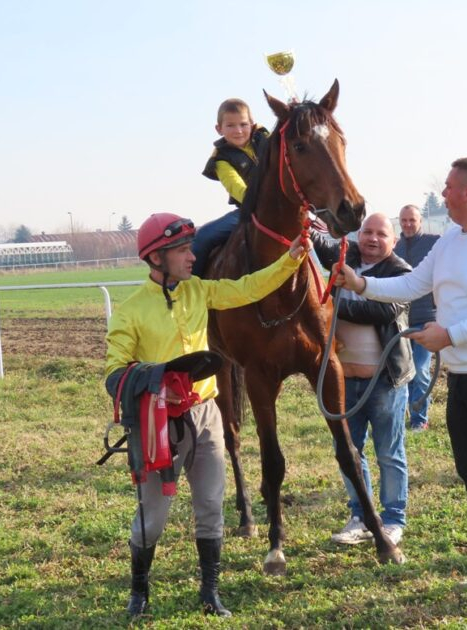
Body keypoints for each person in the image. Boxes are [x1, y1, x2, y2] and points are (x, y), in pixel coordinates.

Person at [333, 158, 467, 605]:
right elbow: (412, 285)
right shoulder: (451, 240)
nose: (443, 194)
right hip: (466, 375)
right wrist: (360, 283)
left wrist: (449, 334)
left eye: (449, 187)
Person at [105, 212, 309, 617]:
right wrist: (156, 376)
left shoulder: (200, 291)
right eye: (182, 251)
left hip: (206, 415)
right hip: (158, 423)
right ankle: (139, 593)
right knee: (153, 516)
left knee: (211, 506)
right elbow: (115, 372)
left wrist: (290, 260)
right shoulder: (130, 311)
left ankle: (210, 592)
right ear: (157, 259)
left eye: (189, 249)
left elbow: (248, 288)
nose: (191, 257)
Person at [311, 212, 414, 547]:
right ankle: (361, 515)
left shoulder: (401, 273)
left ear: (393, 240)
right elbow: (322, 242)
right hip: (343, 383)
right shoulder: (347, 256)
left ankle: (394, 519)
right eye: (367, 232)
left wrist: (327, 309)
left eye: (381, 234)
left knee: (389, 452)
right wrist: (306, 225)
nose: (372, 239)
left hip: (383, 381)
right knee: (350, 452)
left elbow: (381, 311)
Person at [194, 98, 270, 277]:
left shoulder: (265, 138)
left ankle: (336, 282)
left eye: (243, 124)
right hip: (248, 213)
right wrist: (261, 202)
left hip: (283, 209)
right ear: (219, 129)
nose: (238, 131)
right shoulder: (220, 159)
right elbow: (237, 188)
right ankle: (190, 290)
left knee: (317, 235)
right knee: (203, 236)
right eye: (230, 125)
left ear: (252, 124)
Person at [394, 204, 440, 431]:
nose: (408, 224)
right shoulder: (395, 247)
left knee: (420, 370)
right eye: (404, 220)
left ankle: (419, 419)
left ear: (420, 221)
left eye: (412, 220)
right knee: (401, 372)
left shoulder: (434, 243)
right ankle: (399, 417)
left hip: (426, 319)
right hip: (401, 322)